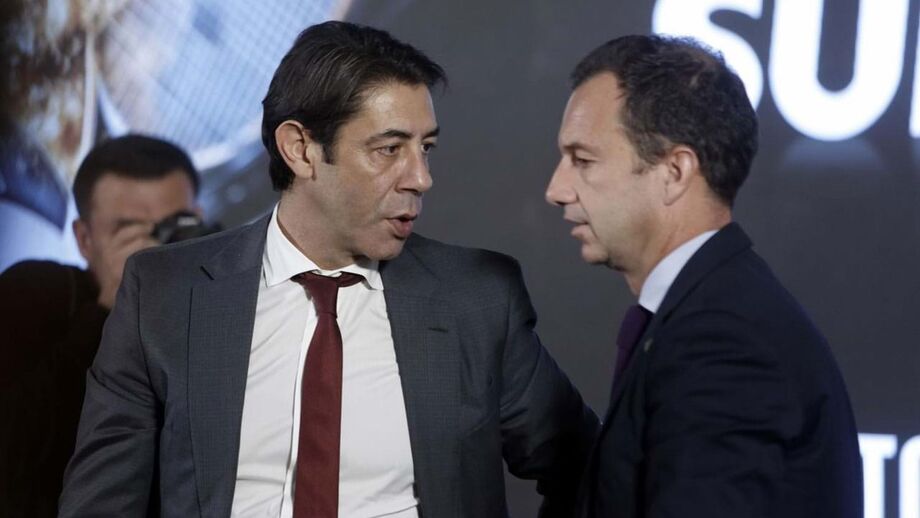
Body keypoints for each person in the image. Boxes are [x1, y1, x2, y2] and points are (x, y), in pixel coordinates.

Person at [60, 21, 598, 517]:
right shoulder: (166, 294)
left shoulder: (476, 300)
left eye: (426, 148)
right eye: (389, 149)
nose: (420, 177)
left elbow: (589, 470)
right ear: (300, 149)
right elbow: (101, 503)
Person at [545, 35, 862, 518]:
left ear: (675, 171)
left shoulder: (723, 340)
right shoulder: (711, 313)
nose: (556, 189)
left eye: (583, 160)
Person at [0, 134, 203, 517]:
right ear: (84, 239)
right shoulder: (41, 295)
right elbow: (15, 451)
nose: (154, 248)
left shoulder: (228, 304)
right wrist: (111, 307)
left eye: (172, 227)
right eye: (129, 232)